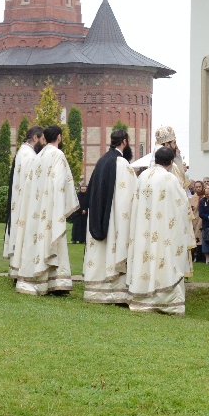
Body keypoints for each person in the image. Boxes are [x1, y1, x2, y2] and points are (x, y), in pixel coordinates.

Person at [127, 146, 196, 314]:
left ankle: (142, 297)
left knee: (145, 257)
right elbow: (182, 205)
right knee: (164, 259)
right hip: (164, 230)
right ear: (171, 162)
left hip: (144, 229)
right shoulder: (170, 179)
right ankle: (166, 300)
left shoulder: (142, 176)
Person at [12, 125, 78, 296]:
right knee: (53, 240)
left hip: (36, 207)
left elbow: (29, 184)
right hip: (51, 206)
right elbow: (61, 182)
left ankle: (44, 280)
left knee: (38, 242)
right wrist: (59, 205)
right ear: (59, 137)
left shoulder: (39, 155)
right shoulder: (58, 155)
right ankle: (56, 283)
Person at [82, 129, 137, 305]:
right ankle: (116, 293)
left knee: (100, 253)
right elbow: (129, 196)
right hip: (114, 218)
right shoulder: (122, 164)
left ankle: (97, 291)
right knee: (114, 248)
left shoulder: (101, 161)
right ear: (125, 142)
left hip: (97, 215)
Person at [2, 126, 44, 273]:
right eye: (42, 139)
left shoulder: (24, 152)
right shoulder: (29, 156)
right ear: (35, 138)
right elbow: (31, 183)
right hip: (24, 202)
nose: (43, 144)